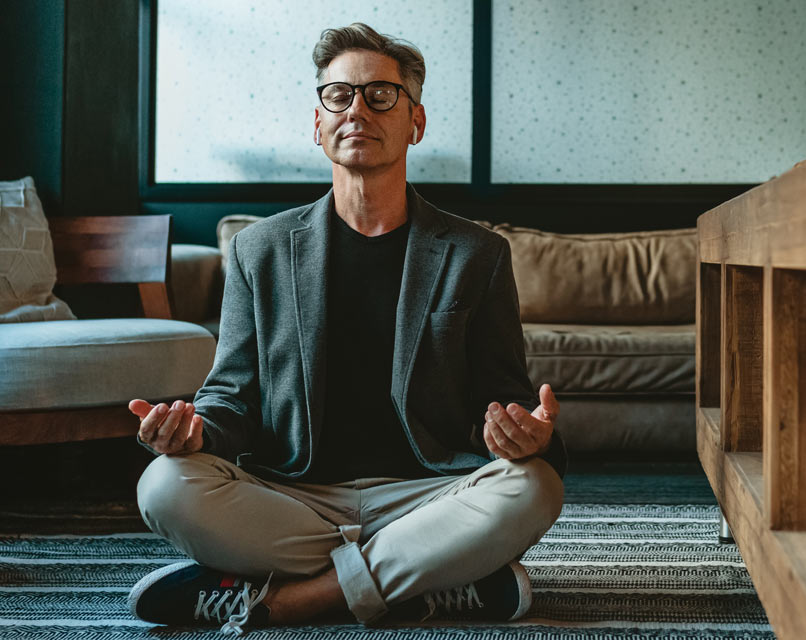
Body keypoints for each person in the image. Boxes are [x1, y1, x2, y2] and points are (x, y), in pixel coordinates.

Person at [125, 23, 567, 635]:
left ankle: (290, 599)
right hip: (292, 497)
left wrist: (522, 435)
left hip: (425, 495)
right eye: (339, 95)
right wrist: (194, 433)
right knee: (164, 484)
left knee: (535, 487)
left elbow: (500, 398)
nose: (357, 109)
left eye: (380, 95)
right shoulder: (259, 250)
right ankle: (436, 577)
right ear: (318, 122)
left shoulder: (476, 253)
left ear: (415, 121)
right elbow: (231, 397)